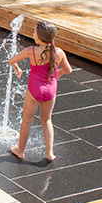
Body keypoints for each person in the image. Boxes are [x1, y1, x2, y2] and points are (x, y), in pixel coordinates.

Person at [9, 21, 72, 162]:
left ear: (39, 38)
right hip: (51, 90)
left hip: (34, 89)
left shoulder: (31, 51)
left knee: (27, 120)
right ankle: (50, 152)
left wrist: (17, 69)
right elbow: (68, 70)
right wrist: (58, 73)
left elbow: (11, 60)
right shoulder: (59, 52)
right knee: (47, 119)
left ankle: (20, 151)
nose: (33, 34)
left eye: (34, 33)